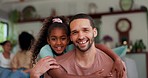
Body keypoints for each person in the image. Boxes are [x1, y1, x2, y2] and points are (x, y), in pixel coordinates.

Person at [30, 16, 125, 78]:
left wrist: (117, 59)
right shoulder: (46, 51)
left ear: (68, 39)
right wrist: (92, 76)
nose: (58, 43)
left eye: (85, 30)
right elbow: (59, 75)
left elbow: (97, 46)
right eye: (75, 32)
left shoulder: (72, 47)